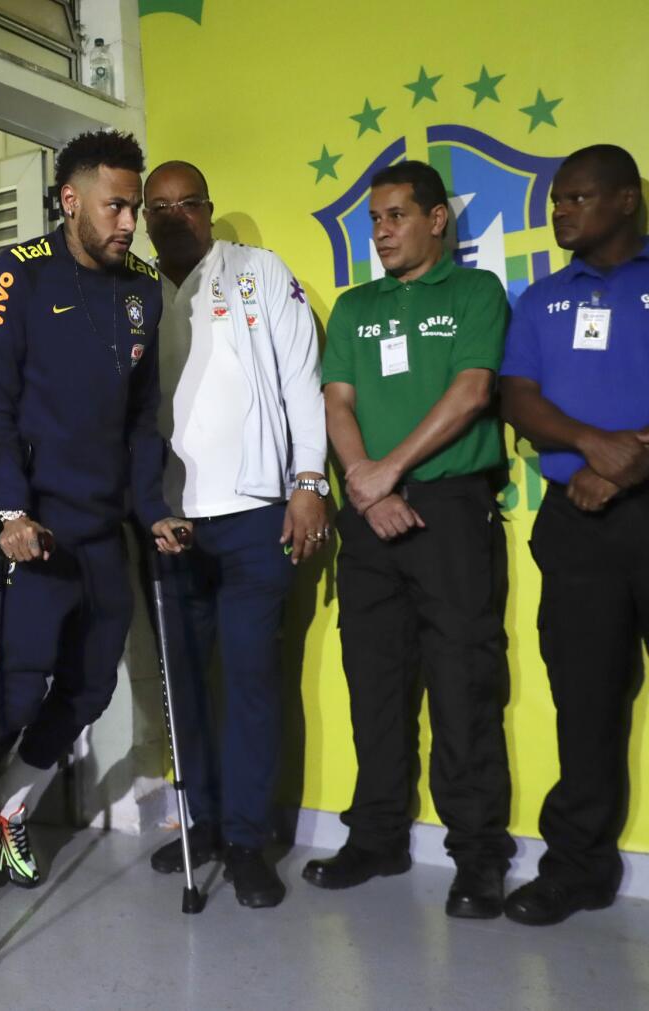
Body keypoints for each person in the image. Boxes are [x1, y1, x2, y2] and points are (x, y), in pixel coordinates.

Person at [0, 130, 190, 905]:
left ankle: (9, 805)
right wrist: (10, 507)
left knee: (91, 685)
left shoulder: (141, 287)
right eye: (115, 205)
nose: (129, 222)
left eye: (133, 207)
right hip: (28, 519)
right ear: (70, 200)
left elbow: (143, 422)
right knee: (14, 684)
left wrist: (155, 510)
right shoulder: (16, 274)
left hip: (102, 522)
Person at [307, 160, 515, 919]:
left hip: (451, 508)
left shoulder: (474, 292)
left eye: (397, 216)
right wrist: (365, 479)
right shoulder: (357, 309)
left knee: (464, 682)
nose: (383, 231)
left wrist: (388, 471)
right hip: (369, 512)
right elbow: (338, 401)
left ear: (437, 220)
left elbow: (472, 390)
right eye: (376, 219)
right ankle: (378, 837)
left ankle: (479, 855)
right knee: (374, 680)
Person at [142, 160, 328, 908]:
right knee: (185, 685)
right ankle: (205, 824)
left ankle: (248, 840)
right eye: (159, 205)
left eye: (188, 202)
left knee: (250, 681)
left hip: (256, 514)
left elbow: (300, 381)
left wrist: (308, 482)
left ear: (209, 210)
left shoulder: (257, 271)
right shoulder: (129, 292)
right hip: (168, 519)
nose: (174, 214)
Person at [499, 144, 649, 926]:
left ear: (626, 201)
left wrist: (631, 462)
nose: (561, 212)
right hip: (578, 522)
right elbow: (518, 396)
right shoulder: (541, 299)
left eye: (578, 198)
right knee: (584, 701)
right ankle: (578, 868)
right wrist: (597, 448)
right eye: (558, 200)